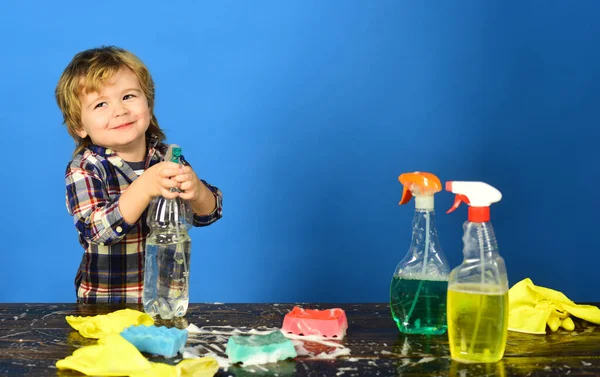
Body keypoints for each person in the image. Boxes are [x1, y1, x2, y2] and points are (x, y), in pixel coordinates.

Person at [55, 46, 223, 303]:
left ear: (148, 102)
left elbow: (208, 214)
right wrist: (144, 187)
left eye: (128, 96)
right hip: (105, 304)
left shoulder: (167, 157)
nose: (119, 110)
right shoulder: (85, 168)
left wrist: (197, 191)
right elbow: (97, 231)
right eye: (101, 104)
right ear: (79, 125)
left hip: (165, 300)